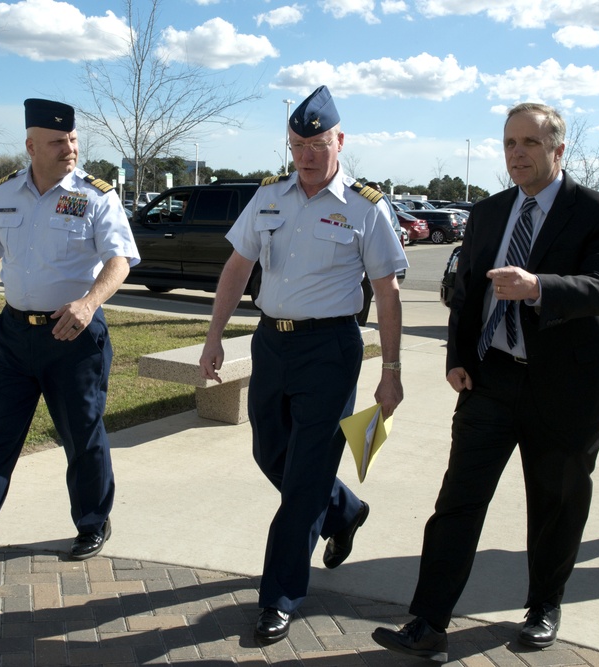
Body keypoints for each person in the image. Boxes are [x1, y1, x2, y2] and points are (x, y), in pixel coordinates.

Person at [372, 103, 599, 661]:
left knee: (556, 504)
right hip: (491, 380)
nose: (517, 153)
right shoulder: (491, 212)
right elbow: (466, 293)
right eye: (509, 143)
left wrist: (539, 285)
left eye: (529, 143)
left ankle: (544, 606)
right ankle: (428, 623)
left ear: (557, 150)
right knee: (458, 502)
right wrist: (457, 357)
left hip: (568, 387)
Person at [198, 86, 407, 644]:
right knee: (272, 454)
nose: (307, 155)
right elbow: (238, 268)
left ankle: (279, 597)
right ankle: (343, 511)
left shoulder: (365, 207)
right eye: (297, 145)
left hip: (330, 350)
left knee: (305, 478)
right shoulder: (269, 196)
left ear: (340, 140)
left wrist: (391, 368)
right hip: (272, 344)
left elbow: (386, 292)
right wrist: (215, 336)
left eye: (317, 144)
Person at [0, 98, 140, 579]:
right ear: (32, 145)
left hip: (73, 337)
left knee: (82, 437)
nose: (70, 149)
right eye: (59, 142)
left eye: (74, 140)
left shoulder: (96, 195)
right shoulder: (6, 195)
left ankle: (93, 522)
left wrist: (89, 302)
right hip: (15, 336)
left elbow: (120, 260)